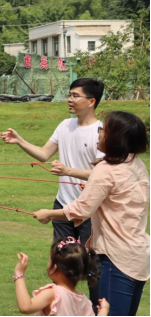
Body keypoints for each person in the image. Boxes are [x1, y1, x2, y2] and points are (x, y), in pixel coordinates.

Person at [34, 111, 150, 317]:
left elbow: (81, 210)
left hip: (117, 258)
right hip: (139, 255)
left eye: (103, 130)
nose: (99, 134)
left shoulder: (106, 168)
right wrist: (93, 190)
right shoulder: (136, 164)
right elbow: (121, 198)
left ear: (116, 138)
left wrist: (48, 214)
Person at [2, 78, 104, 303]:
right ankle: (63, 307)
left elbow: (103, 175)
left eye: (75, 95)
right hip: (63, 206)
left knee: (93, 265)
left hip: (90, 210)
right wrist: (20, 141)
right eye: (70, 94)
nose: (69, 99)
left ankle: (97, 310)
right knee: (61, 263)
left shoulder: (101, 132)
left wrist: (68, 170)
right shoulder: (64, 125)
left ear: (91, 101)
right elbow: (44, 154)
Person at [13, 238, 106, 316]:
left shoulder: (53, 294)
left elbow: (25, 307)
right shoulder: (84, 302)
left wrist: (19, 273)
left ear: (55, 267)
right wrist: (104, 309)